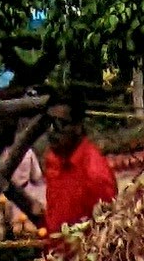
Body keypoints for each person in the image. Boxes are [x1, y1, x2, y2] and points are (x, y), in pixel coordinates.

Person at [39, 97, 117, 242]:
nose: (51, 131)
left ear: (78, 127)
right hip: (54, 251)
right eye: (48, 123)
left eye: (60, 124)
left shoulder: (96, 175)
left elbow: (106, 236)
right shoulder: (54, 159)